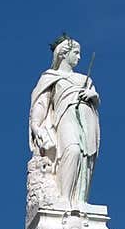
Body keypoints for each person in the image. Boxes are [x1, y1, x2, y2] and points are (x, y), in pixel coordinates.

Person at [29, 35, 100, 206]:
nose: (79, 57)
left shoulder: (85, 80)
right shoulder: (50, 77)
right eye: (76, 53)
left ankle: (79, 200)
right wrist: (36, 126)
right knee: (73, 150)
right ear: (63, 53)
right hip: (65, 116)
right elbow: (41, 103)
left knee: (86, 157)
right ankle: (64, 198)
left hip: (87, 119)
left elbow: (96, 99)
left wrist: (93, 95)